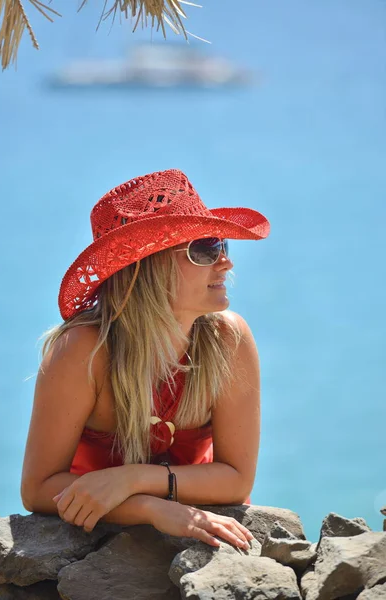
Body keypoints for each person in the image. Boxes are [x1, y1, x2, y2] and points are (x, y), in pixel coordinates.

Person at [21, 168, 270, 551]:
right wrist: (151, 509)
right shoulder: (82, 351)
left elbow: (237, 481)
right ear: (146, 266)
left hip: (209, 535)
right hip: (97, 540)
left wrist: (133, 479)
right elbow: (38, 489)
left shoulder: (228, 339)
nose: (226, 263)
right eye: (204, 248)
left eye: (222, 245)